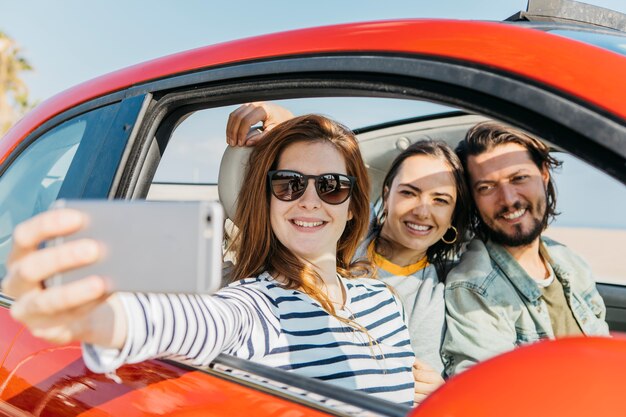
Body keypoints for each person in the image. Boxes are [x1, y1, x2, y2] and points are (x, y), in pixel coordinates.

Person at [3, 115, 418, 405]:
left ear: (352, 207)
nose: (309, 200)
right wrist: (101, 318)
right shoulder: (257, 306)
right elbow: (197, 321)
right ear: (267, 200)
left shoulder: (384, 298)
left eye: (331, 186)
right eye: (289, 184)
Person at [226, 103, 471, 398]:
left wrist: (438, 395)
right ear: (385, 195)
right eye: (409, 192)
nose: (422, 210)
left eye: (441, 200)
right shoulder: (255, 303)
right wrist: (287, 120)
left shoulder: (422, 293)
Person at [442, 121, 610, 376]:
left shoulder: (571, 262)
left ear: (544, 174)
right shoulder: (474, 287)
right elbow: (486, 396)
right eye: (486, 187)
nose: (508, 200)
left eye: (519, 178)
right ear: (473, 199)